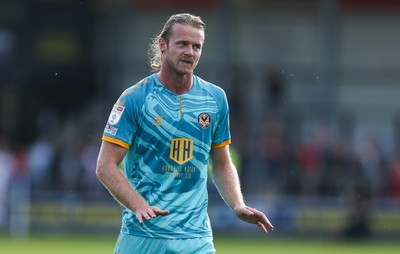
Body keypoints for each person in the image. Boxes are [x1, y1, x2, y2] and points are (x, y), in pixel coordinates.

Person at [96, 13, 274, 254]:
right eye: (182, 44)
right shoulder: (135, 98)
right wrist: (138, 205)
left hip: (195, 238)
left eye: (196, 46)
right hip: (143, 234)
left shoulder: (215, 99)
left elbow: (221, 164)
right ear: (163, 45)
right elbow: (105, 166)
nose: (190, 52)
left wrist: (237, 205)